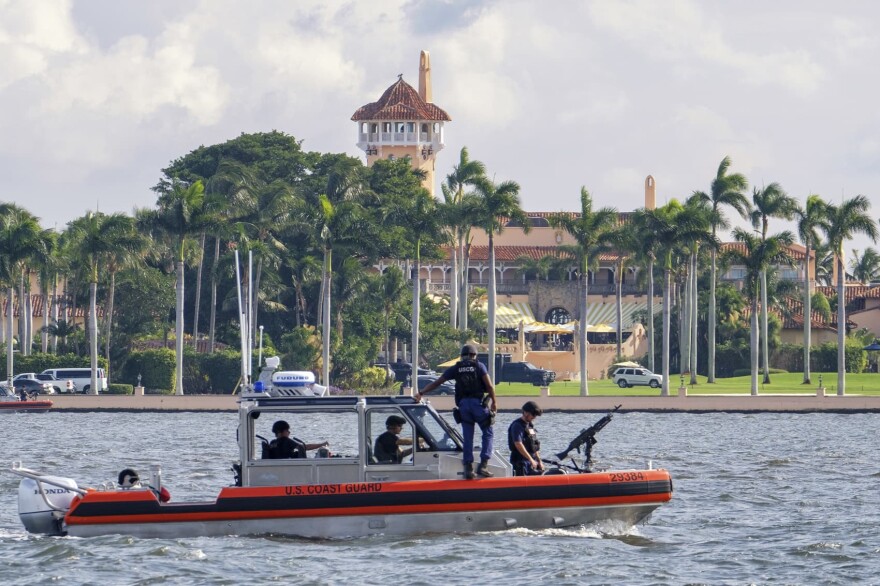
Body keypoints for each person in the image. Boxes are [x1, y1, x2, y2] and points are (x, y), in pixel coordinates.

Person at [416, 344, 497, 480]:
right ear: (474, 355)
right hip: (478, 404)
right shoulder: (479, 366)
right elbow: (489, 386)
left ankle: (468, 469)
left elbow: (437, 383)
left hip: (463, 406)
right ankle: (483, 465)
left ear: (462, 355)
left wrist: (421, 393)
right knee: (488, 432)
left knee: (468, 437)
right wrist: (494, 402)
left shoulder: (456, 368)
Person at [508, 401, 544, 476]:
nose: (534, 417)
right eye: (533, 415)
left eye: (535, 415)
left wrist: (539, 460)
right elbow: (518, 443)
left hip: (532, 462)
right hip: (520, 463)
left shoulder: (530, 426)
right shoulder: (517, 426)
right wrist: (530, 459)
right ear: (525, 412)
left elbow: (534, 445)